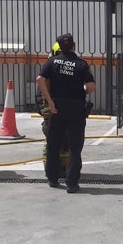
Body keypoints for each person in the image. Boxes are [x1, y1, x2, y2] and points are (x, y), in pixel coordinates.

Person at [37, 33, 96, 193]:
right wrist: (82, 88)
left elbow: (40, 80)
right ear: (73, 46)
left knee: (53, 144)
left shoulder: (52, 62)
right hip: (76, 109)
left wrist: (49, 101)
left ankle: (52, 178)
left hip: (57, 108)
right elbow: (91, 87)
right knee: (75, 148)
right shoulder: (81, 64)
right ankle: (71, 183)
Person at [36, 42, 69, 175]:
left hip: (63, 112)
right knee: (52, 142)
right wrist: (47, 113)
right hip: (51, 113)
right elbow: (41, 95)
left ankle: (63, 167)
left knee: (65, 141)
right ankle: (50, 168)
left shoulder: (65, 68)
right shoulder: (49, 70)